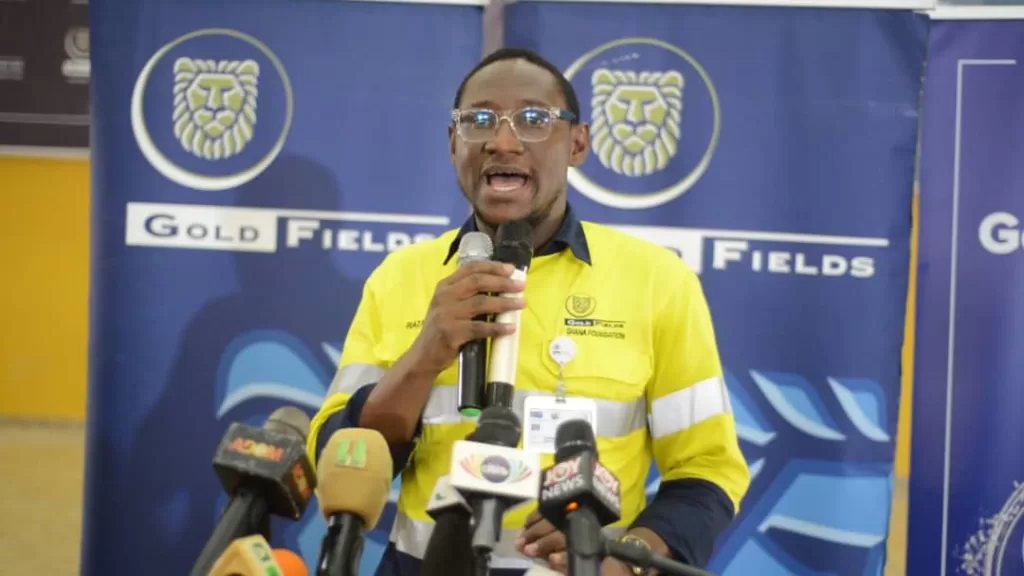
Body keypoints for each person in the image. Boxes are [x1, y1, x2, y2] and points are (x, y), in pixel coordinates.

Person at [306, 47, 750, 576]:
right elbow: (339, 456)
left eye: (534, 119)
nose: (502, 141)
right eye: (479, 121)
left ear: (577, 143)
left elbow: (708, 470)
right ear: (453, 142)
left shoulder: (657, 280)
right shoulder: (400, 276)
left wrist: (623, 560)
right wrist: (425, 355)